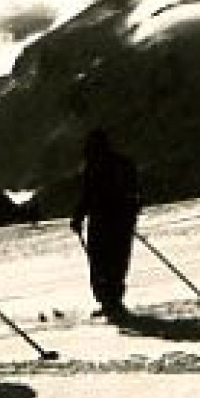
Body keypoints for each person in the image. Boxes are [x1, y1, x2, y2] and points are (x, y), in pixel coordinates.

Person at [71, 128, 143, 320]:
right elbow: (135, 192)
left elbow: (87, 195)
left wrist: (78, 218)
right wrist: (131, 211)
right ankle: (113, 301)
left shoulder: (94, 166)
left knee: (100, 262)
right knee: (117, 261)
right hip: (120, 221)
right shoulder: (122, 163)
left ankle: (109, 301)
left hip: (102, 222)